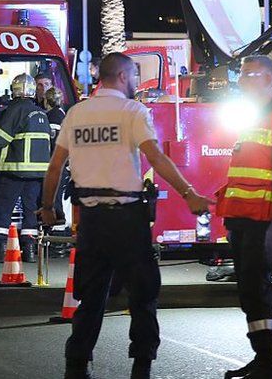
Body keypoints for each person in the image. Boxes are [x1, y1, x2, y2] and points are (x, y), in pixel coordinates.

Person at [40, 52, 211, 379]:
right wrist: (189, 193)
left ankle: (76, 364)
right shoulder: (132, 111)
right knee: (143, 293)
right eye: (133, 75)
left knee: (91, 297)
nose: (135, 82)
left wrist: (48, 208)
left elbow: (55, 166)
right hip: (128, 220)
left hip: (91, 221)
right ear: (121, 76)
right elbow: (156, 158)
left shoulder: (76, 113)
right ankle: (142, 365)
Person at [219, 56, 272, 379]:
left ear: (268, 80)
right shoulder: (253, 118)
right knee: (248, 292)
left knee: (257, 291)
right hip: (241, 220)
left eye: (248, 75)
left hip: (262, 220)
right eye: (241, 75)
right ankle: (262, 357)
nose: (241, 81)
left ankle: (269, 362)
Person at [0, 74, 51, 264]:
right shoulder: (40, 112)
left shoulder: (16, 109)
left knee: (4, 209)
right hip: (37, 174)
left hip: (15, 171)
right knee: (30, 210)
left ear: (15, 90)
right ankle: (29, 251)